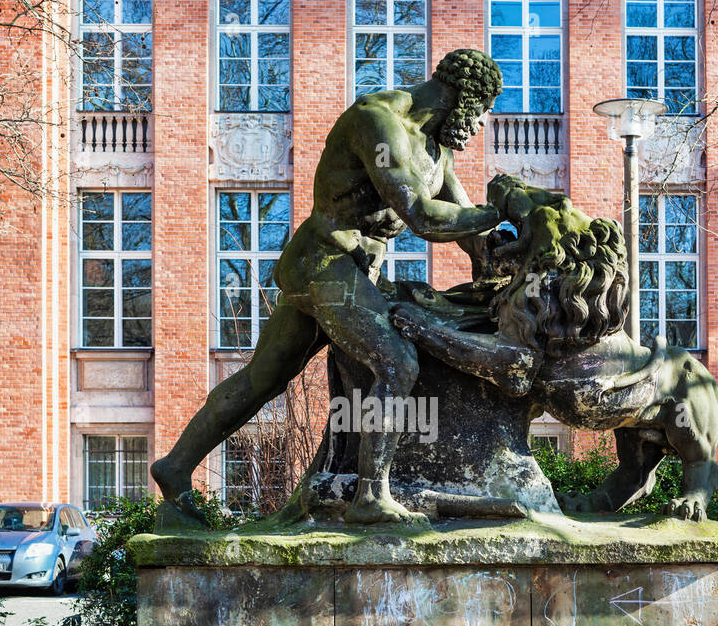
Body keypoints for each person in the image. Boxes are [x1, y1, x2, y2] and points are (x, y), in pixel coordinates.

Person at [151, 48, 504, 526]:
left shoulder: (434, 151)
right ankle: (371, 496)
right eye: (482, 113)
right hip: (325, 261)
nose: (480, 125)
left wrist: (501, 253)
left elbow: (466, 227)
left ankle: (174, 467)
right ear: (465, 97)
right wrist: (499, 209)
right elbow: (422, 215)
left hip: (352, 272)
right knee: (396, 362)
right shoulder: (378, 121)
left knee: (265, 376)